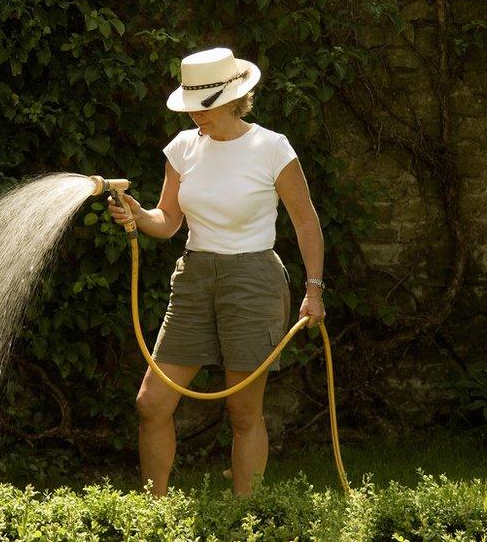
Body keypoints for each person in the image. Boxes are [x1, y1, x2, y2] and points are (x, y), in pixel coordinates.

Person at [108, 47, 326, 497]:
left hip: (253, 278)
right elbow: (167, 221)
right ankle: (154, 512)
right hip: (194, 278)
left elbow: (306, 221)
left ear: (233, 99)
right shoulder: (183, 148)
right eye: (192, 108)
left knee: (243, 412)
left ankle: (243, 517)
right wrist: (136, 214)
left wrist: (314, 289)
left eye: (204, 108)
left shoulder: (271, 148)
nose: (196, 117)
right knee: (152, 403)